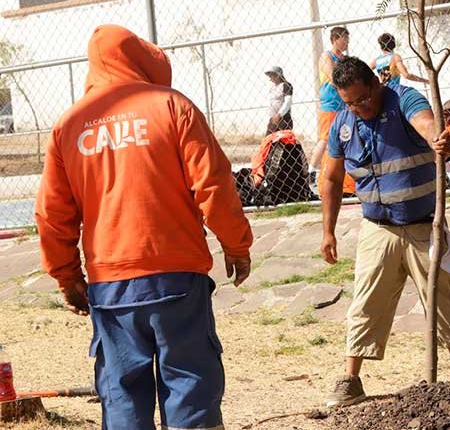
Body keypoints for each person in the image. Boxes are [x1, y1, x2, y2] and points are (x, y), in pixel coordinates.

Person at [35, 25, 253, 429]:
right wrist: (236, 245)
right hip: (177, 278)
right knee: (191, 385)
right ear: (140, 59)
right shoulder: (173, 107)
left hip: (111, 285)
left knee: (122, 397)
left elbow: (52, 213)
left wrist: (67, 277)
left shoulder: (69, 125)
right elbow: (214, 183)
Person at [320, 57, 450, 407]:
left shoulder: (404, 99)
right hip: (377, 227)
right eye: (349, 103)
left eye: (362, 99)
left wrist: (437, 140)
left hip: (421, 224)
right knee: (365, 303)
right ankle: (351, 379)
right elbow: (330, 178)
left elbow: (426, 123)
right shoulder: (343, 123)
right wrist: (328, 231)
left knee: (440, 300)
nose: (357, 108)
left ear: (376, 84)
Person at [312, 26, 356, 197]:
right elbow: (334, 77)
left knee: (347, 139)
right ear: (334, 39)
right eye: (343, 38)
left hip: (344, 105)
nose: (346, 42)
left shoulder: (345, 59)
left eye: (347, 39)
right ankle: (312, 175)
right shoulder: (326, 56)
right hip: (331, 104)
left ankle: (347, 180)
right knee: (324, 140)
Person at [265, 66, 294, 135]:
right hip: (273, 119)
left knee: (283, 142)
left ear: (278, 75)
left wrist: (279, 114)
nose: (270, 77)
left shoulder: (286, 85)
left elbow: (288, 102)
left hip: (283, 119)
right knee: (269, 141)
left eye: (271, 75)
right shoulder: (272, 88)